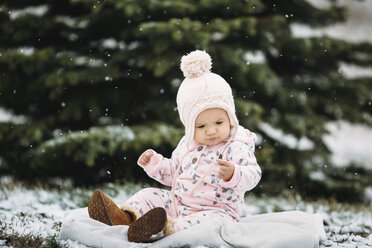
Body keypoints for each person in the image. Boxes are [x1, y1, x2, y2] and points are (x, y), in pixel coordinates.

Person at [88, 50, 262, 243]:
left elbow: (253, 175)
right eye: (201, 126)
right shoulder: (187, 145)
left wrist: (234, 174)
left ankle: (161, 229)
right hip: (178, 204)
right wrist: (155, 164)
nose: (211, 131)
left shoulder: (236, 145)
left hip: (216, 211)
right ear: (188, 125)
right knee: (148, 195)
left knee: (207, 224)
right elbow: (174, 175)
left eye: (219, 122)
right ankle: (125, 218)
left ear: (231, 118)